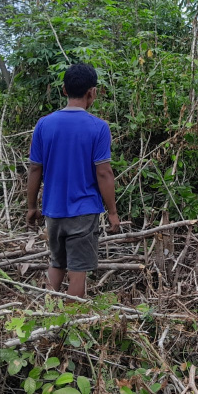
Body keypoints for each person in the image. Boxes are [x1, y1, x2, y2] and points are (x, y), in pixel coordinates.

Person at [26, 63, 119, 298]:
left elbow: (35, 169)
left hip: (53, 211)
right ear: (92, 92)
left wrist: (31, 207)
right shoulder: (98, 127)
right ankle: (72, 324)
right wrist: (112, 212)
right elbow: (104, 173)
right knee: (78, 270)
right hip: (83, 210)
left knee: (57, 262)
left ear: (64, 90)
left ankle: (46, 314)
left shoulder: (44, 125)